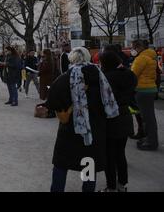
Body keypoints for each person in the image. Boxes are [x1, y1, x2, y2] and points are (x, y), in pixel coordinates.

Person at [46, 47, 119, 192]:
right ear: (88, 58)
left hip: (70, 131)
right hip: (94, 130)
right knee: (89, 165)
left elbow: (54, 104)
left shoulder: (64, 78)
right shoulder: (101, 77)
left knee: (61, 165)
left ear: (71, 59)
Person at [99, 51, 137, 192]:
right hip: (125, 116)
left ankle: (111, 187)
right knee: (120, 154)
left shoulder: (106, 78)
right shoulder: (129, 75)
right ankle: (122, 184)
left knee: (109, 156)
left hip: (110, 119)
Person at [130, 40, 159, 151]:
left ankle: (151, 142)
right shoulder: (151, 56)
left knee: (147, 118)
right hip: (150, 88)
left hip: (142, 89)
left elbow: (133, 74)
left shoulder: (141, 58)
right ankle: (149, 138)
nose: (132, 50)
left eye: (133, 47)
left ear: (139, 47)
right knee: (149, 117)